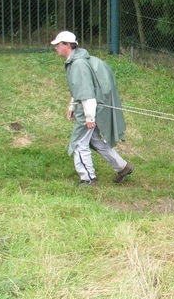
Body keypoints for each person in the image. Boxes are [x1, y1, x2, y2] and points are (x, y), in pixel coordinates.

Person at [52, 31, 134, 186]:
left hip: (87, 111)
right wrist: (72, 106)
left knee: (78, 143)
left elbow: (87, 93)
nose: (56, 47)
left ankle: (88, 179)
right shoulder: (78, 60)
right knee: (94, 141)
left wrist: (89, 117)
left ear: (68, 45)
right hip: (86, 108)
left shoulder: (78, 64)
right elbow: (79, 89)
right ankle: (123, 167)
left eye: (58, 44)